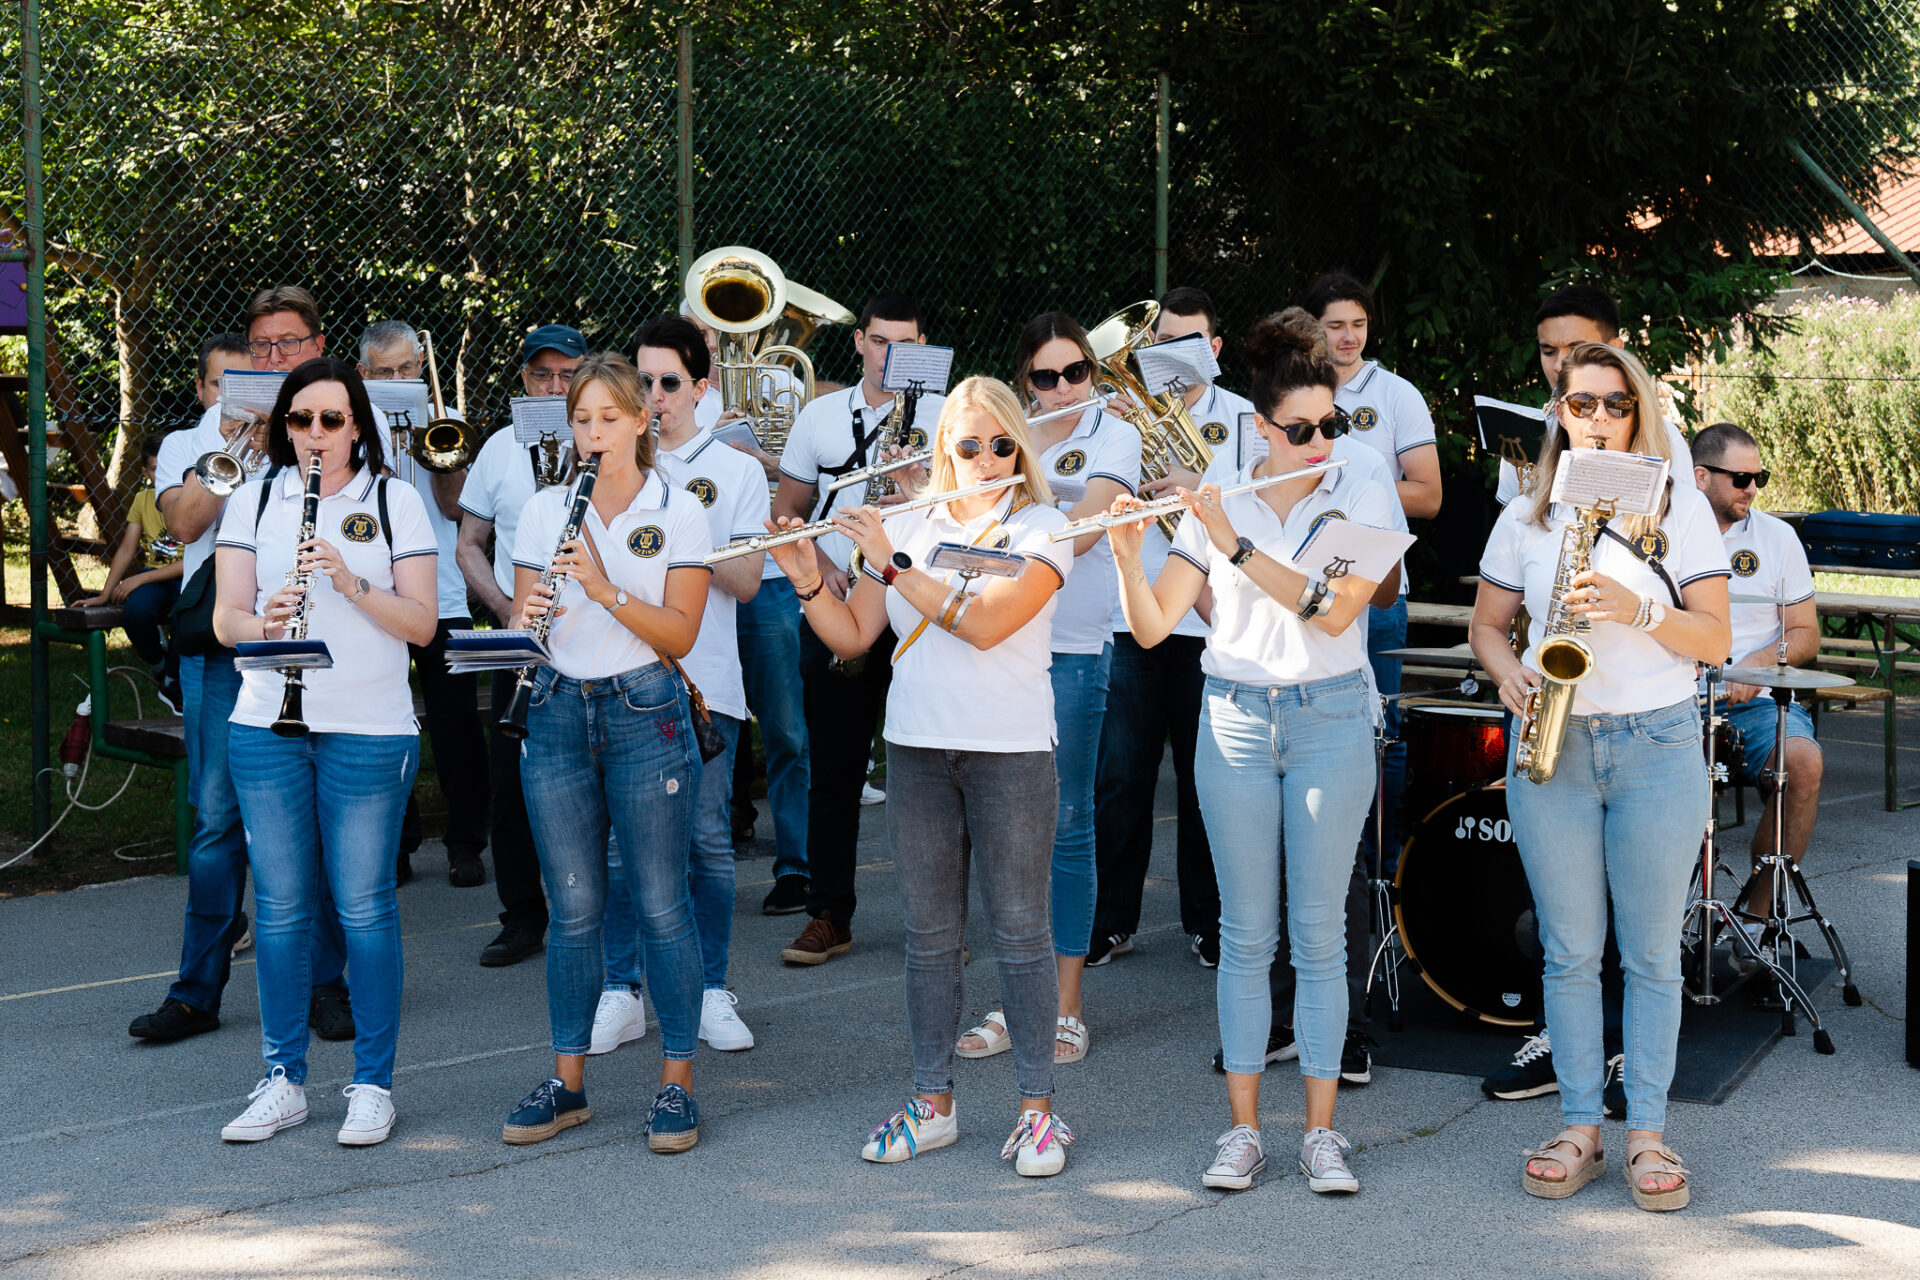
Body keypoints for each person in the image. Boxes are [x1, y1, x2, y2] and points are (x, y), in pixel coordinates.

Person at [1108, 309, 1395, 1196]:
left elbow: (1334, 609)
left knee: (1317, 935)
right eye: (1299, 430)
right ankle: (1241, 1133)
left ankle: (1320, 1136)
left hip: (1331, 715)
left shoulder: (1361, 483)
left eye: (1330, 424)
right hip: (1231, 713)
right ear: (1260, 429)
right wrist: (1127, 551)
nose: (1319, 443)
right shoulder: (1220, 492)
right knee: (1244, 935)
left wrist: (1230, 540)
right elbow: (1156, 626)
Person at [764, 375, 1077, 1175]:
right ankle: (932, 1104)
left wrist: (893, 562)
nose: (984, 459)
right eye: (967, 445)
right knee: (931, 937)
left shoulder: (1043, 526)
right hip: (917, 747)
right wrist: (805, 572)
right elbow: (853, 635)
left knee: (1020, 929)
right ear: (943, 448)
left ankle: (1038, 1111)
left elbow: (988, 625)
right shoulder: (908, 520)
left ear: (1020, 448)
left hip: (1011, 748)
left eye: (1001, 444)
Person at [1470, 341, 1729, 1211]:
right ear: (1559, 414)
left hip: (1655, 742)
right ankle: (1581, 1124)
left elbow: (1716, 641)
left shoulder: (1680, 507)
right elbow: (1487, 627)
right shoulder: (1528, 516)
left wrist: (1642, 608)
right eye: (1580, 403)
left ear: (1639, 410)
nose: (1598, 417)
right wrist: (1506, 672)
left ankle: (1648, 1134)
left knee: (1652, 954)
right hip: (1557, 744)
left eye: (1615, 403)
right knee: (1571, 951)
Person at [211, 356, 439, 1147]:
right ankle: (283, 1078)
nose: (315, 435)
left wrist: (346, 582)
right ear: (283, 426)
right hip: (267, 722)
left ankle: (372, 1083)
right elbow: (224, 622)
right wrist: (265, 623)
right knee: (277, 909)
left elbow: (422, 625)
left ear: (358, 426)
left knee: (365, 906)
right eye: (300, 420)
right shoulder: (254, 497)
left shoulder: (395, 499)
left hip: (369, 729)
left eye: (332, 420)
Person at [498, 352, 711, 1154]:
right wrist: (540, 610)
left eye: (608, 419)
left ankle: (677, 1083)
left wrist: (603, 582)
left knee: (661, 903)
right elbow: (526, 626)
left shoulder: (679, 510)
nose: (592, 434)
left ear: (641, 421)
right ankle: (568, 1083)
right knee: (574, 909)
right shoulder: (542, 508)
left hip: (644, 709)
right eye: (581, 421)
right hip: (555, 708)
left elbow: (680, 633)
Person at [131, 298, 354, 1045]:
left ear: (316, 347)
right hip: (226, 650)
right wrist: (237, 447)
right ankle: (196, 990)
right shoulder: (190, 438)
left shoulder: (331, 426)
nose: (275, 359)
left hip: (319, 643)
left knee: (314, 821)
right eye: (263, 348)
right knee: (218, 821)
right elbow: (186, 526)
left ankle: (326, 985)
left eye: (290, 344)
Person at [954, 314, 1136, 1067]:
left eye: (1076, 374)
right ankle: (1013, 999)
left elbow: (1081, 533)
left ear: (1093, 374)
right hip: (988, 644)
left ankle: (1063, 1007)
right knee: (998, 834)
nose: (1062, 389)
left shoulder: (1115, 435)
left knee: (1064, 825)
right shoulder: (1002, 434)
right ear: (1024, 379)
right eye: (1044, 378)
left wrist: (1001, 500)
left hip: (1067, 649)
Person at [589, 316, 768, 1057]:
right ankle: (621, 990)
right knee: (622, 847)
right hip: (617, 676)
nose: (655, 396)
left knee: (706, 844)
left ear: (702, 389)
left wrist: (681, 535)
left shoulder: (736, 470)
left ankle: (710, 989)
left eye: (669, 383)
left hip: (704, 680)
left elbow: (750, 580)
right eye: (644, 383)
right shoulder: (606, 463)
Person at [771, 292, 944, 964]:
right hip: (841, 596)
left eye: (905, 344)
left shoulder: (948, 414)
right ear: (860, 343)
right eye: (878, 341)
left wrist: (918, 484)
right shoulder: (819, 416)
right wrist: (822, 564)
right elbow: (790, 509)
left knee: (931, 768)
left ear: (923, 348)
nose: (890, 355)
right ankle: (828, 912)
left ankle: (939, 922)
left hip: (917, 596)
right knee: (835, 769)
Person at [1090, 287, 1247, 968]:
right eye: (1162, 344)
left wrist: (1196, 478)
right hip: (1136, 617)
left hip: (1210, 626)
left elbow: (1256, 506)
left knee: (1199, 777)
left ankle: (1208, 922)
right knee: (1121, 777)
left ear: (1213, 349)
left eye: (1190, 343)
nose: (1172, 357)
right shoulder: (1117, 417)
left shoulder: (1244, 418)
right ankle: (1109, 921)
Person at [456, 324, 589, 966]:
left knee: (593, 779)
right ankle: (521, 917)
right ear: (524, 380)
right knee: (510, 783)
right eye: (543, 375)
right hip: (523, 638)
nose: (555, 386)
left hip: (598, 636)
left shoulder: (610, 436)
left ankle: (589, 914)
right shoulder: (498, 448)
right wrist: (508, 608)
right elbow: (468, 544)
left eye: (569, 373)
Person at [683, 300, 813, 913]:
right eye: (705, 328)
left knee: (785, 724)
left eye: (723, 327)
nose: (715, 337)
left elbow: (798, 479)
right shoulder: (672, 395)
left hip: (765, 569)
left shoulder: (780, 384)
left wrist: (752, 456)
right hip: (700, 585)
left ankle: (796, 863)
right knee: (708, 708)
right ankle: (715, 838)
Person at [358, 320, 490, 889]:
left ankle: (466, 843)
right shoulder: (345, 426)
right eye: (383, 372)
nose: (396, 378)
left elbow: (458, 508)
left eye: (406, 369)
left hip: (444, 592)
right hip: (376, 596)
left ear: (419, 367)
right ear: (362, 375)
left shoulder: (444, 423)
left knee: (456, 720)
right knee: (384, 717)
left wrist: (440, 448)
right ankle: (398, 845)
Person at [1691, 423, 1823, 941]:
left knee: (1805, 764)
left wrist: (1759, 664)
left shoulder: (1777, 537)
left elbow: (1807, 633)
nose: (1752, 489)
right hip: (1670, 699)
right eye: (1741, 478)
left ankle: (1755, 918)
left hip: (1752, 704)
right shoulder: (1659, 530)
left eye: (1759, 477)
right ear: (1701, 477)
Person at [1496, 285, 1695, 506]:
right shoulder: (1524, 433)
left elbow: (1683, 521)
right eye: (1549, 351)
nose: (1559, 364)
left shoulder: (1665, 438)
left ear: (1616, 349)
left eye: (1577, 349)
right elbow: (1509, 520)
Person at [78, 435, 184, 703]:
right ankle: (161, 667)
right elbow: (126, 550)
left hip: (189, 576)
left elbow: (192, 562)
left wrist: (141, 579)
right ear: (146, 473)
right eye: (158, 468)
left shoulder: (191, 500)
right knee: (135, 612)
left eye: (172, 465)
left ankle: (175, 680)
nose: (165, 473)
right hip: (156, 575)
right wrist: (105, 593)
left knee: (186, 614)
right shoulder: (142, 500)